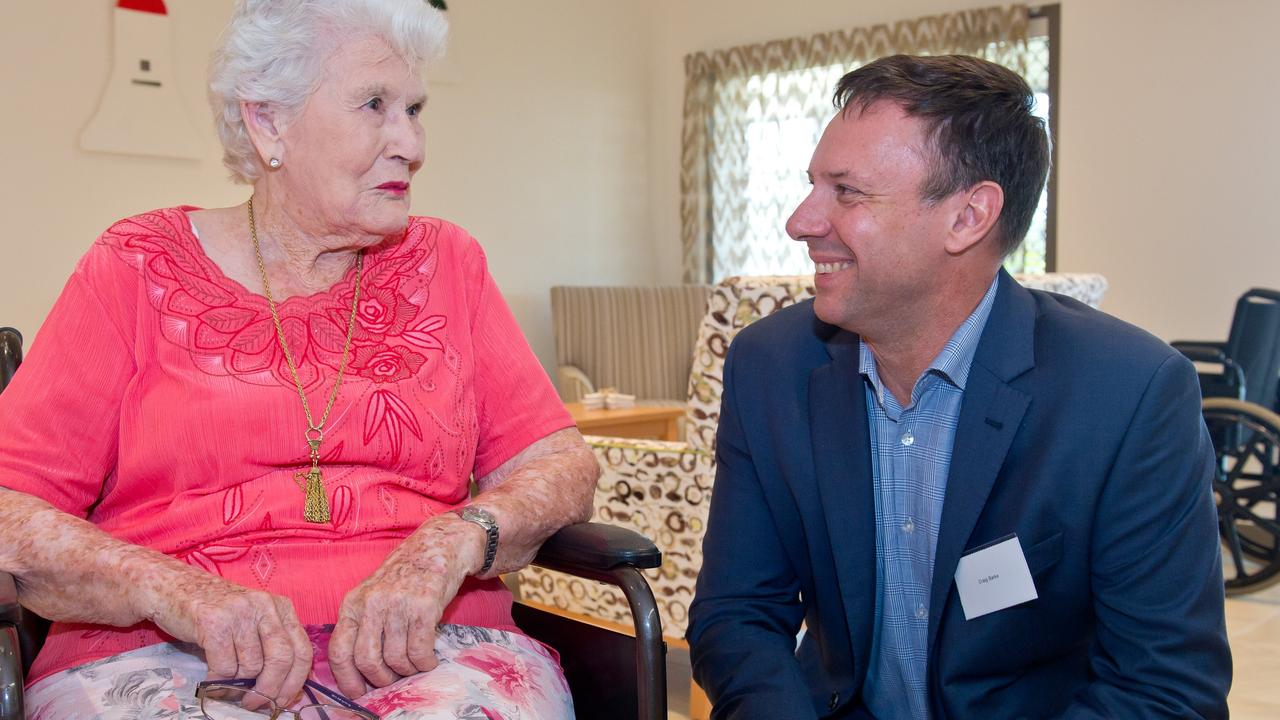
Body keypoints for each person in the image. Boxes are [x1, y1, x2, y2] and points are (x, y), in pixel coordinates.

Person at [0, 1, 597, 717]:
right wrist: (175, 591)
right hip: (164, 654)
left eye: (414, 108)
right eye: (374, 104)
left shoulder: (448, 263)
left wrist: (455, 540)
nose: (410, 142)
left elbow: (563, 465)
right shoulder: (134, 268)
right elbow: (11, 507)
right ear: (268, 121)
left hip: (434, 647)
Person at [687, 54, 1231, 719]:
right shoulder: (770, 366)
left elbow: (1165, 690)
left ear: (969, 217)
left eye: (847, 192)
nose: (800, 221)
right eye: (811, 186)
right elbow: (737, 616)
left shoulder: (1129, 395)